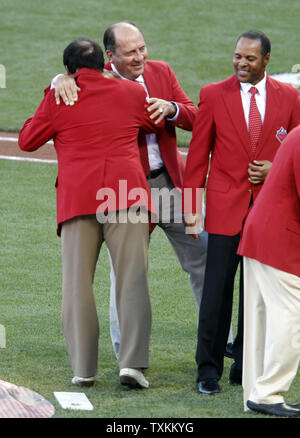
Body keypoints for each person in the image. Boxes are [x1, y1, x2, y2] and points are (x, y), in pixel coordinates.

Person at [53, 21, 209, 358]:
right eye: (131, 52)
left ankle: (216, 337)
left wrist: (172, 110)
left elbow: (198, 117)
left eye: (142, 48)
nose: (141, 57)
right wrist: (59, 80)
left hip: (171, 184)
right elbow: (56, 100)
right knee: (126, 271)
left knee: (205, 254)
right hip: (125, 191)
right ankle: (127, 354)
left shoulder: (161, 72)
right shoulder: (92, 79)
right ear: (110, 56)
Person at [18, 38, 165, 389]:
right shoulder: (130, 93)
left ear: (69, 70)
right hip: (127, 195)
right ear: (104, 63)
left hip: (79, 199)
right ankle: (131, 364)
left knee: (77, 285)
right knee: (133, 279)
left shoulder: (59, 96)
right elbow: (154, 123)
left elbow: (27, 139)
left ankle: (84, 369)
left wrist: (54, 86)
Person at [183, 30, 300, 394]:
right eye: (237, 56)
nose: (241, 64)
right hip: (224, 210)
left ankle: (245, 366)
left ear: (267, 60)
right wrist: (190, 209)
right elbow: (198, 156)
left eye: (250, 58)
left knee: (259, 294)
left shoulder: (290, 97)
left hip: (268, 213)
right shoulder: (213, 95)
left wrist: (274, 166)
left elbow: (296, 148)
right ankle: (207, 370)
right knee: (217, 291)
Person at [238, 124, 300, 417]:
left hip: (261, 232)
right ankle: (267, 393)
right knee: (292, 316)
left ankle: (256, 391)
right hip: (279, 238)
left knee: (260, 318)